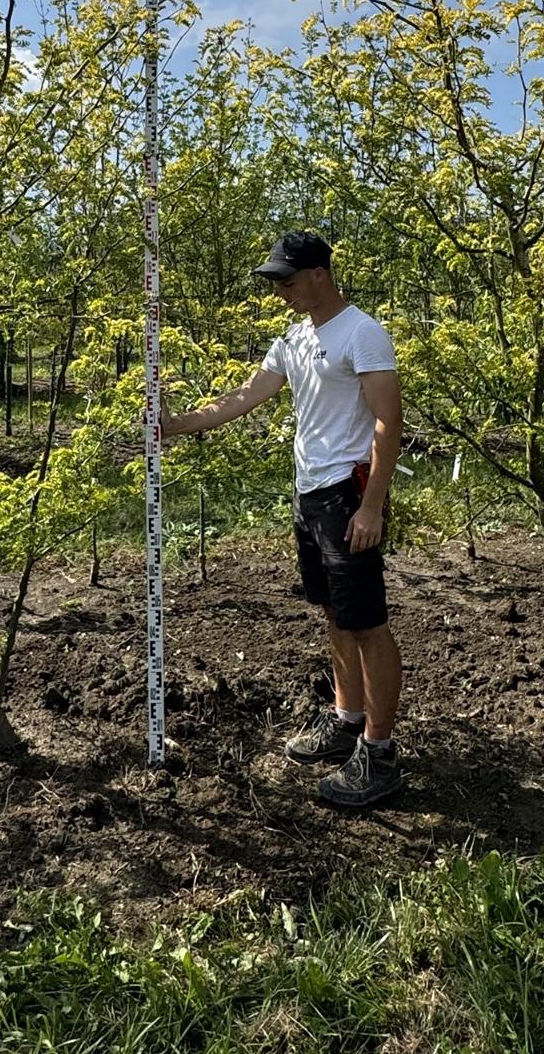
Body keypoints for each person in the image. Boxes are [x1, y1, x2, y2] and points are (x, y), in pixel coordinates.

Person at [160, 230, 405, 808]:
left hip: (349, 494)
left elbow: (388, 423)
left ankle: (381, 753)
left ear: (320, 272)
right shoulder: (294, 339)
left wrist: (372, 506)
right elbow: (245, 397)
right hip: (311, 496)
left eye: (288, 281)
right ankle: (346, 721)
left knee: (368, 622)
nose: (281, 292)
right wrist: (174, 425)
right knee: (334, 615)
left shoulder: (362, 333)